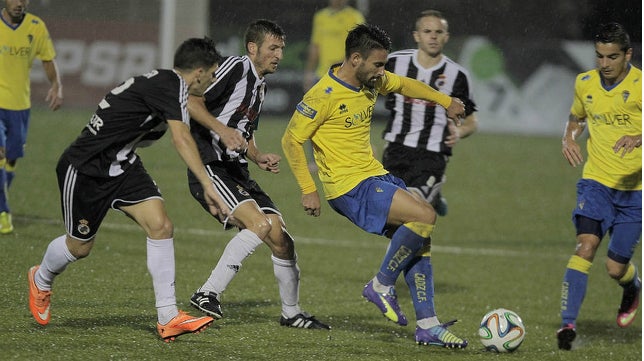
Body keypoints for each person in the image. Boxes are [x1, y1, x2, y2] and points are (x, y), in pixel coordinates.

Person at [27, 37, 230, 342]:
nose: (213, 81)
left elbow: (179, 119)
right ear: (198, 72)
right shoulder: (170, 84)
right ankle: (41, 278)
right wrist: (208, 184)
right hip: (86, 169)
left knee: (161, 226)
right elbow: (181, 138)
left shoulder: (169, 87)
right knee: (79, 247)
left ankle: (168, 317)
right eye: (213, 74)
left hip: (123, 165)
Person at [281, 23, 468, 348]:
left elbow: (405, 85)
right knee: (425, 216)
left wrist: (444, 100)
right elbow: (291, 140)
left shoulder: (370, 82)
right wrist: (307, 187)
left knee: (418, 242)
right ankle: (381, 285)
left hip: (374, 176)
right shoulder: (322, 95)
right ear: (355, 59)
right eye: (377, 65)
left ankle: (428, 325)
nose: (382, 72)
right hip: (349, 187)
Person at [187, 20, 329, 330]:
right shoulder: (236, 67)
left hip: (236, 170)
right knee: (260, 224)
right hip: (210, 165)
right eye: (272, 48)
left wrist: (258, 155)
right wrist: (221, 131)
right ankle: (207, 292)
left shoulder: (260, 84)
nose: (279, 54)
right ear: (253, 48)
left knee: (281, 238)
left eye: (281, 48)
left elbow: (244, 132)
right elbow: (191, 100)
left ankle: (291, 313)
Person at [556, 22, 641, 351]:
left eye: (612, 57)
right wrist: (569, 137)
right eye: (599, 56)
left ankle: (632, 286)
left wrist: (639, 136)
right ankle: (567, 324)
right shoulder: (585, 83)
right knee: (585, 247)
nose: (604, 64)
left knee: (614, 267)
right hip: (596, 183)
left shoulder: (640, 85)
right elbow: (576, 117)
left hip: (635, 192)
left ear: (628, 55)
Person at [381, 10, 478, 216]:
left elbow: (471, 121)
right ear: (417, 35)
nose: (433, 36)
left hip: (432, 152)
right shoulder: (394, 63)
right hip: (396, 149)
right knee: (392, 214)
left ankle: (428, 198)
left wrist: (459, 133)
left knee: (414, 212)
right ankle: (433, 199)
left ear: (446, 37)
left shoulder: (458, 75)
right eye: (427, 31)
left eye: (438, 31)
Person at [0, 0, 63, 234]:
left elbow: (47, 59)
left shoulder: (36, 26)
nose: (19, 3)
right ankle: (3, 212)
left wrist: (56, 85)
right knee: (0, 153)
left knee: (12, 158)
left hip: (19, 105)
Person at [303, 0, 365, 91]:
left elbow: (360, 47)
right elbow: (315, 46)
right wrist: (308, 73)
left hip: (346, 77)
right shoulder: (320, 17)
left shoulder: (355, 17)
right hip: (322, 75)